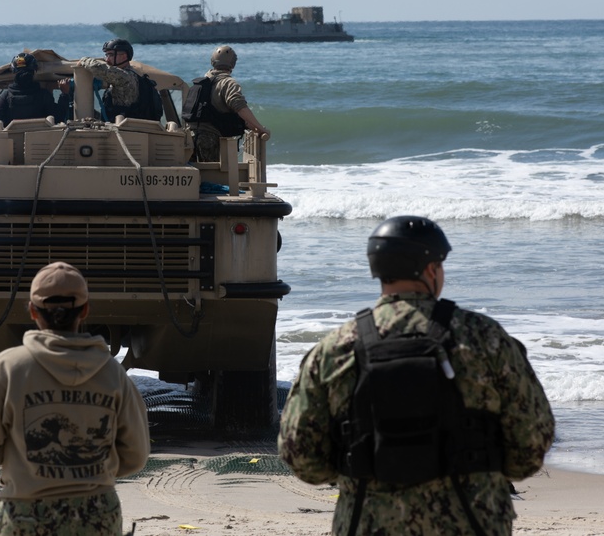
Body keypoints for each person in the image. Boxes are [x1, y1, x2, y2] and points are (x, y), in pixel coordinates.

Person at [278, 216, 555, 536]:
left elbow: (299, 454)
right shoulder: (485, 338)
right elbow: (531, 443)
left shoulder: (335, 348)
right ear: (430, 270)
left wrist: (359, 472)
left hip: (368, 524)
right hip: (472, 522)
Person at [0, 261, 150, 536]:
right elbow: (136, 455)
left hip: (27, 516)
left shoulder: (9, 367)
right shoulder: (113, 373)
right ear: (85, 310)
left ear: (32, 311)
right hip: (97, 516)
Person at [183, 45, 270, 162]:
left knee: (194, 175)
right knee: (212, 176)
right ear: (233, 64)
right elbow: (240, 107)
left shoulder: (203, 82)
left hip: (189, 137)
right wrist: (260, 128)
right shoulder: (228, 83)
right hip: (209, 138)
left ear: (212, 62)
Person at [77, 38, 163, 121]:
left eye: (111, 55)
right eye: (106, 55)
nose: (107, 59)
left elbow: (97, 68)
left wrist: (84, 60)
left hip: (127, 130)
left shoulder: (125, 77)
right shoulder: (128, 75)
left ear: (124, 56)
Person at [0, 53, 70, 128]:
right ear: (33, 71)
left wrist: (0, 104)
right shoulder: (43, 95)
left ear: (14, 72)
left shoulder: (6, 96)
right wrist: (64, 94)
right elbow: (59, 117)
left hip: (11, 143)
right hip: (42, 142)